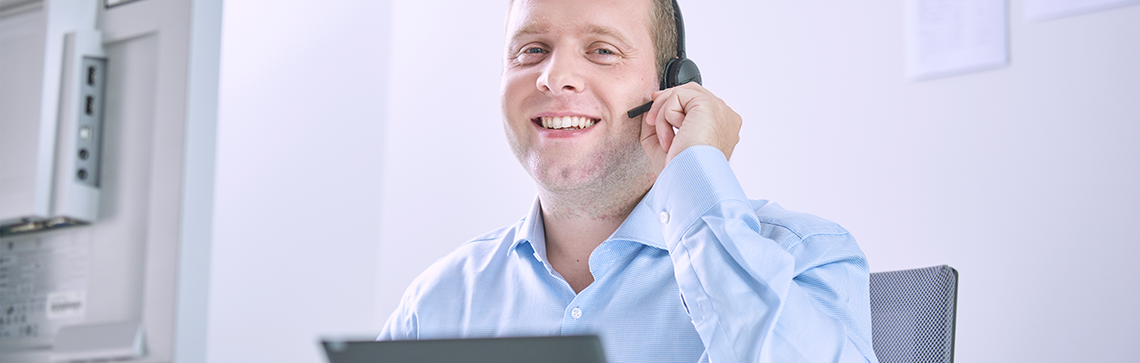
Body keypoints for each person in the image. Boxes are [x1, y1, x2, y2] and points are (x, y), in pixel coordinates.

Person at [379, 0, 879, 362]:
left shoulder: (802, 254)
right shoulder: (438, 300)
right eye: (532, 49)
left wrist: (696, 169)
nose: (554, 78)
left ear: (673, 86)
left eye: (602, 51)